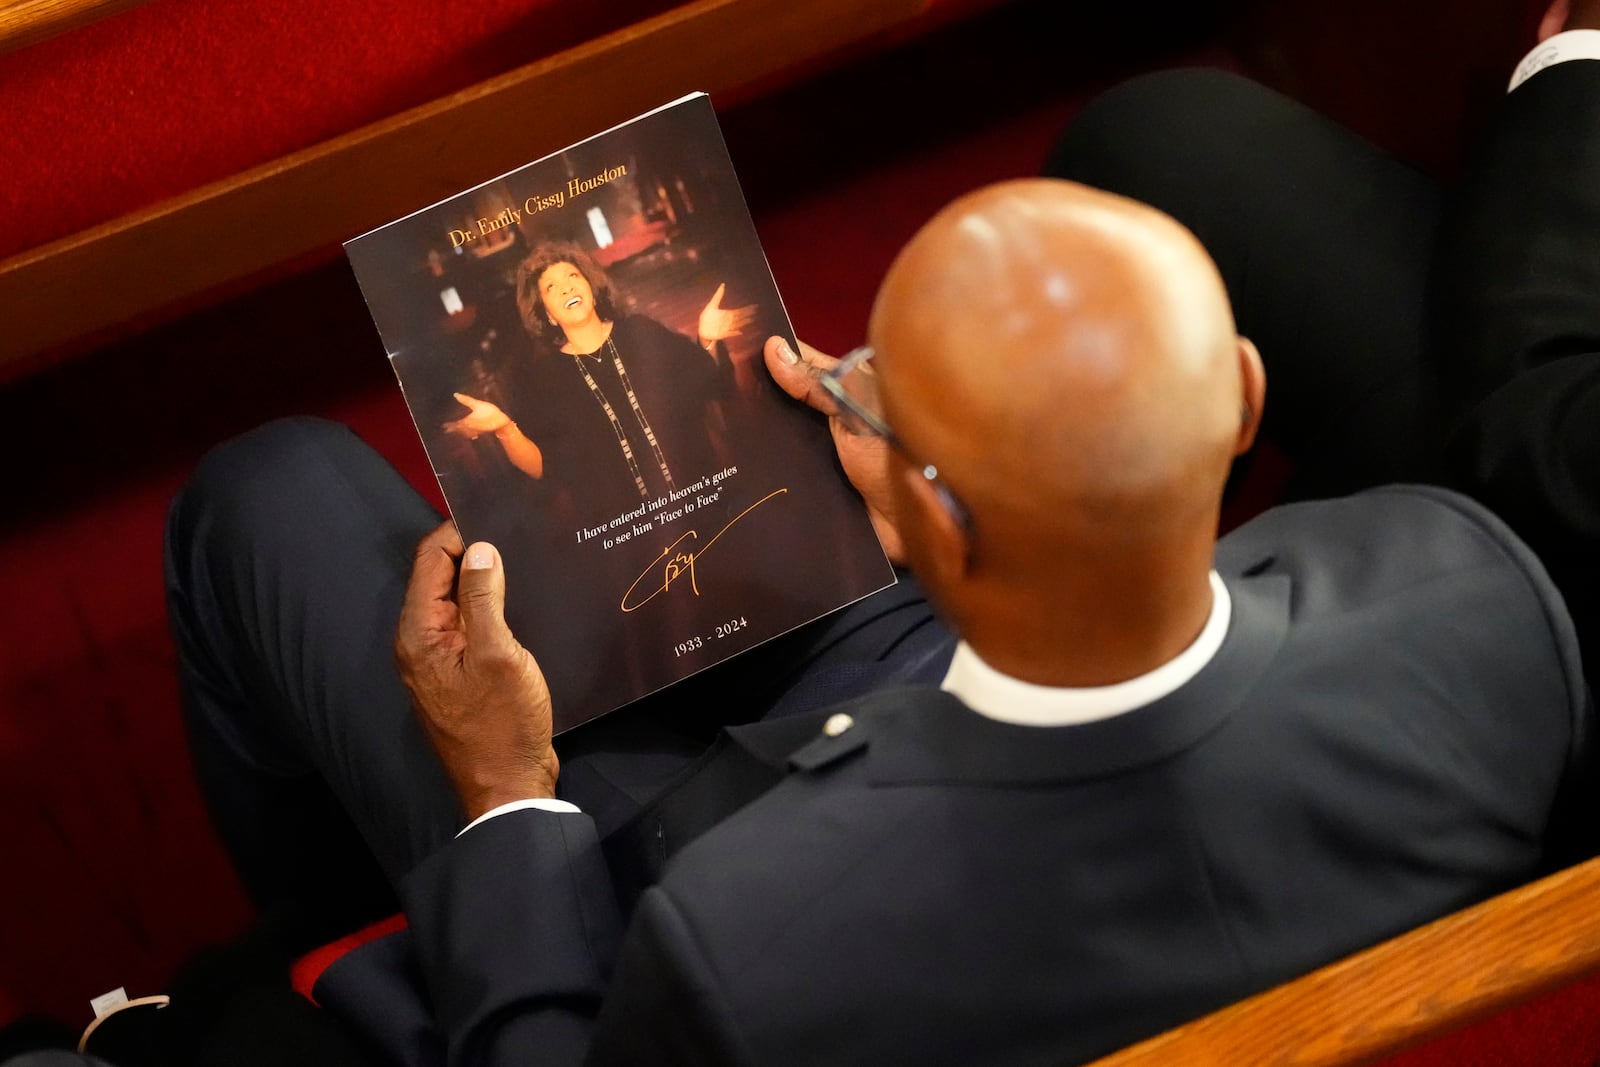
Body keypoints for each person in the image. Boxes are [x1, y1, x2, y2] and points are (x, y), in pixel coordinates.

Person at [156, 11, 1598, 1067]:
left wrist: (504, 799)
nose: (834, 393)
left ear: (925, 514)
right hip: (969, 683)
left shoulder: (753, 946)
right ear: (1243, 398)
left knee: (264, 495)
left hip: (656, 846)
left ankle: (345, 918)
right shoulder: (1479, 595)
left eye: (862, 399)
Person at [443, 240, 756, 521]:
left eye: (573, 277)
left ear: (591, 290)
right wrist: (503, 427)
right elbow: (545, 467)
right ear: (548, 315)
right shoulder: (544, 380)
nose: (566, 288)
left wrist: (707, 339)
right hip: (627, 537)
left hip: (707, 504)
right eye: (551, 287)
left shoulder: (641, 332)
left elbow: (710, 385)